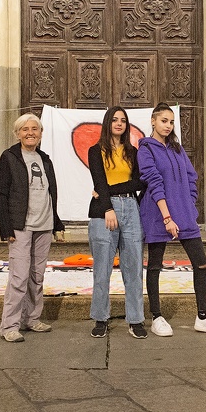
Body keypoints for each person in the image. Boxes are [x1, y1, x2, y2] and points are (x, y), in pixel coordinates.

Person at [138, 103, 206, 335]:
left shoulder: (177, 149)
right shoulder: (145, 149)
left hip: (183, 212)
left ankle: (202, 316)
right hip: (159, 213)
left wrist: (190, 204)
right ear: (153, 121)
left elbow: (191, 177)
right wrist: (167, 217)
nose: (168, 126)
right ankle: (157, 316)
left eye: (171, 122)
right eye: (163, 121)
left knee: (201, 263)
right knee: (155, 265)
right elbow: (154, 182)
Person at [87, 106, 158, 339]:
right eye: (115, 119)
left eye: (123, 120)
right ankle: (100, 318)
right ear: (107, 122)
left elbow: (139, 182)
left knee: (134, 267)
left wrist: (108, 190)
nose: (119, 123)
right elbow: (98, 179)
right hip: (103, 211)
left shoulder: (132, 152)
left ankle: (136, 319)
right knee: (102, 268)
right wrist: (107, 206)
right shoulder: (95, 150)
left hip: (130, 208)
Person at [0, 113, 65, 343]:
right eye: (25, 129)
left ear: (41, 133)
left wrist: (56, 223)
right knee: (19, 275)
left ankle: (31, 318)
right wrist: (6, 227)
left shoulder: (44, 159)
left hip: (43, 225)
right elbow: (0, 194)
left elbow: (50, 193)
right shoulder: (9, 157)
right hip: (20, 226)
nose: (30, 133)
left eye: (35, 129)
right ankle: (10, 325)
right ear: (17, 133)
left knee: (37, 275)